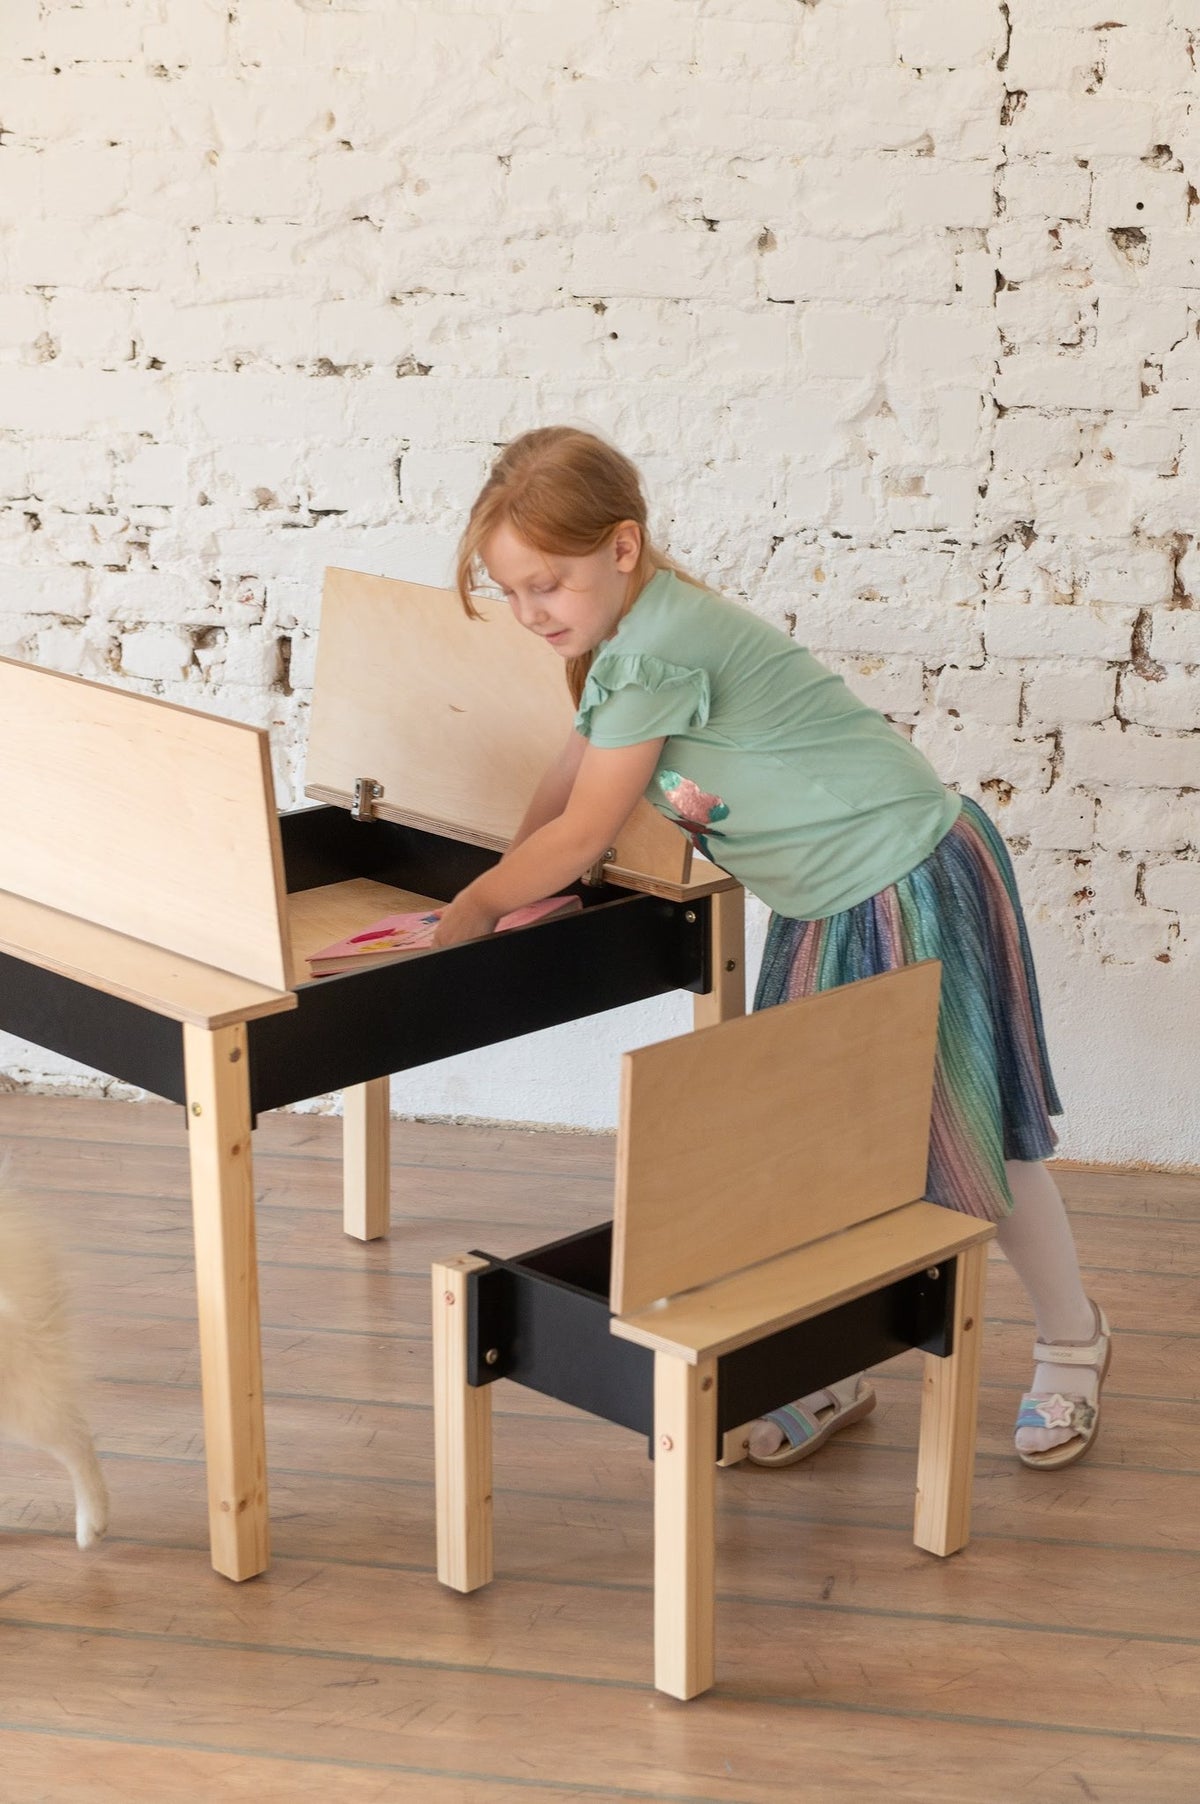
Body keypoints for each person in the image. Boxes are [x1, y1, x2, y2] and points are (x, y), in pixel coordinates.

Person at [431, 425, 1110, 1471]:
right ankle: (827, 1365)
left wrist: (472, 909)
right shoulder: (620, 643)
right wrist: (514, 878)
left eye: (546, 585)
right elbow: (565, 787)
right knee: (811, 1147)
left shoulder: (659, 646)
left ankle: (1073, 1340)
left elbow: (585, 834)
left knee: (979, 1133)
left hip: (906, 879)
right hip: (825, 905)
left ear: (622, 547)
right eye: (511, 591)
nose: (531, 614)